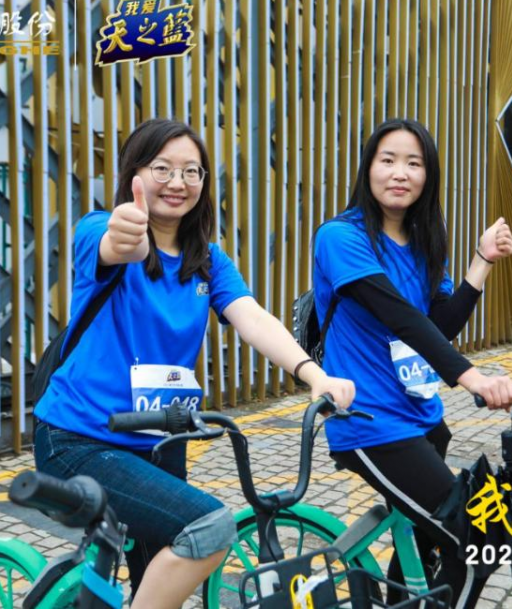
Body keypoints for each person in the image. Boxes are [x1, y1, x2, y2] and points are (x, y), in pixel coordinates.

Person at [33, 118, 355, 609]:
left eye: (191, 171)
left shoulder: (206, 259)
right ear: (134, 173)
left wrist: (314, 374)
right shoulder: (99, 228)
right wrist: (126, 236)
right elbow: (113, 242)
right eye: (162, 168)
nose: (177, 182)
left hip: (161, 439)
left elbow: (251, 317)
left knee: (158, 579)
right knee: (207, 526)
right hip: (81, 439)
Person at [313, 118, 512, 608]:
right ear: (368, 168)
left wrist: (482, 260)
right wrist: (471, 378)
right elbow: (400, 317)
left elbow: (438, 326)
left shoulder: (424, 243)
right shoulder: (341, 237)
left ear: (428, 175)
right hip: (371, 424)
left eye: (414, 163)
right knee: (473, 538)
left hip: (423, 420)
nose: (400, 173)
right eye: (388, 160)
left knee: (424, 537)